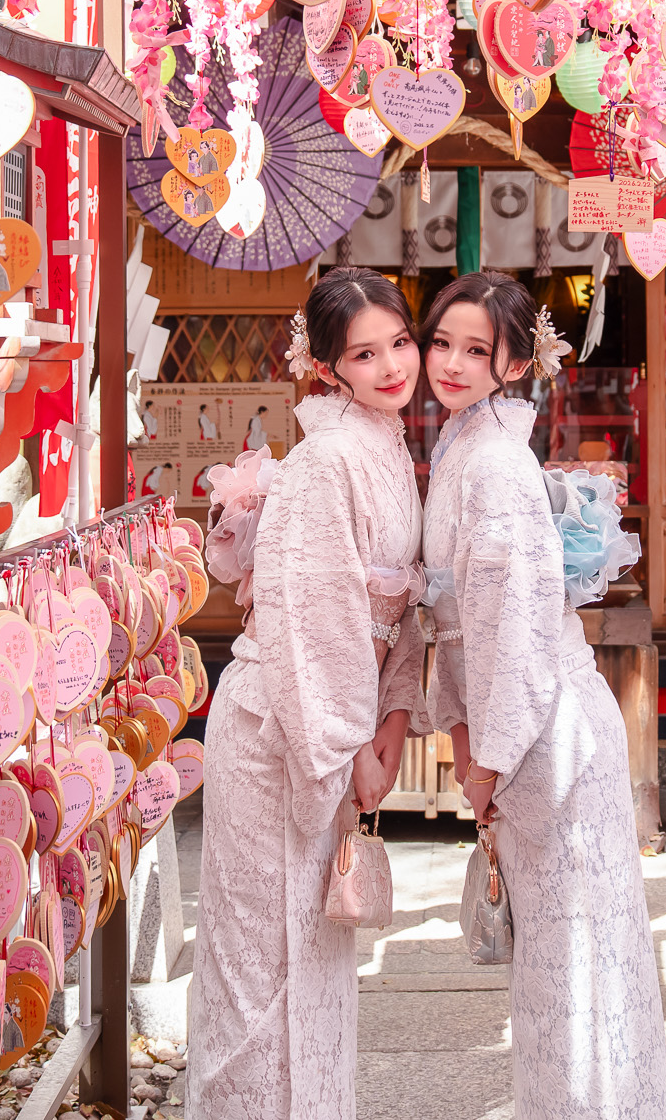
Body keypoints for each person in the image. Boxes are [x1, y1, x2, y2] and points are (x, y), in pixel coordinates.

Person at [421, 271, 666, 1120]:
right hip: (530, 720)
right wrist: (470, 739)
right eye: (442, 342)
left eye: (477, 350)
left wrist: (484, 759)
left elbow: (516, 628)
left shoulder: (493, 463)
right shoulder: (467, 446)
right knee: (567, 963)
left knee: (574, 969)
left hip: (544, 726)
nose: (451, 364)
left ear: (517, 363)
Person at [189, 268, 429, 1119]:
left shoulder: (386, 447)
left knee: (314, 960)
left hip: (331, 712)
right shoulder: (325, 459)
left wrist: (392, 718)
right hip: (280, 721)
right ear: (327, 368)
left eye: (400, 342)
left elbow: (398, 606)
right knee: (258, 967)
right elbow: (308, 616)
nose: (391, 366)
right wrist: (348, 743)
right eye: (364, 355)